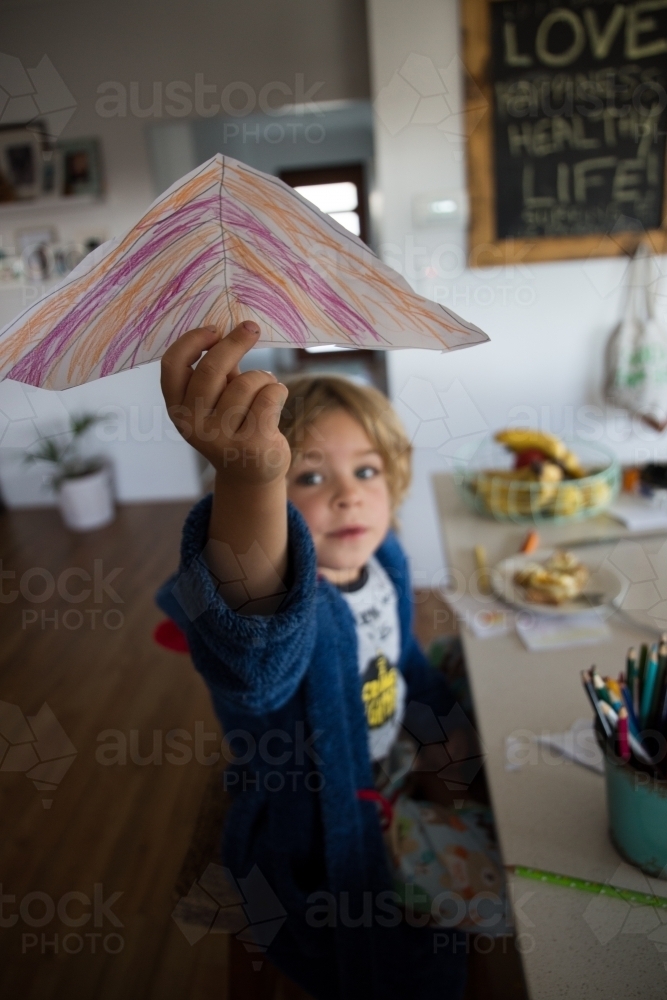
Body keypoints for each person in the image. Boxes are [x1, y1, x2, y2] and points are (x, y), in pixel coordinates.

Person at [156, 321, 471, 999]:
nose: (347, 494)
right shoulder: (289, 600)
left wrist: (443, 731)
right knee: (413, 966)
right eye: (307, 474)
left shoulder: (382, 562)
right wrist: (250, 480)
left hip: (388, 778)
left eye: (365, 470)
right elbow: (257, 657)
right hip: (310, 830)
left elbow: (402, 660)